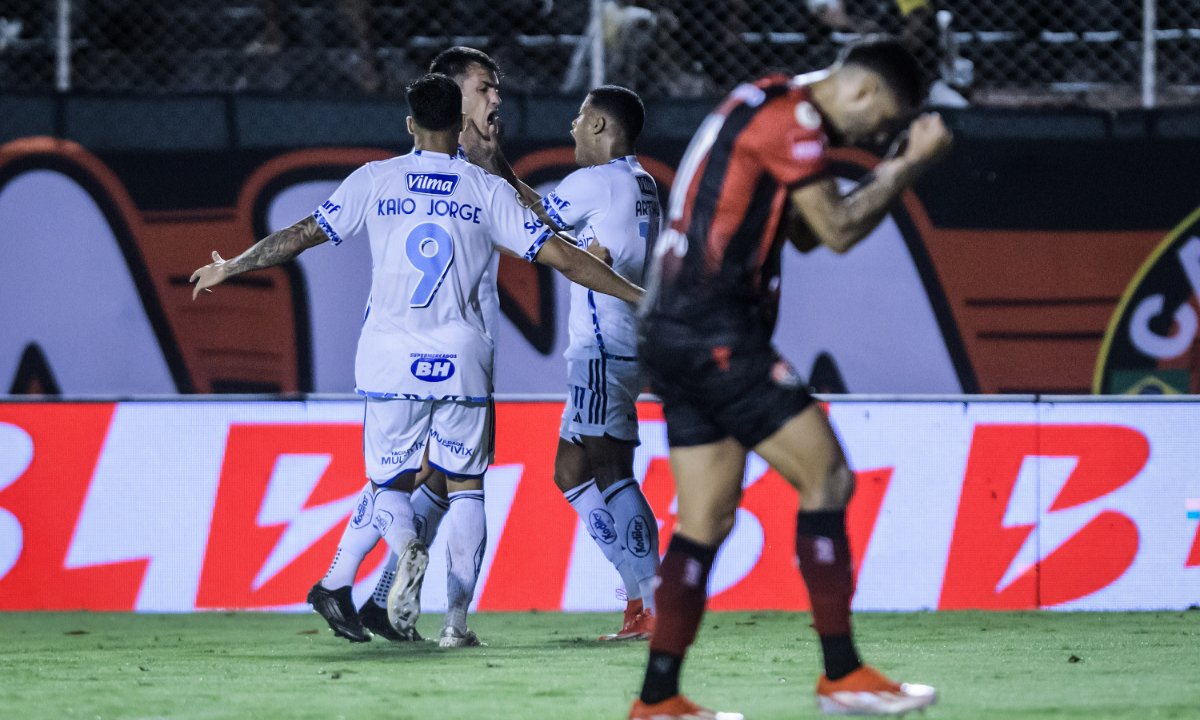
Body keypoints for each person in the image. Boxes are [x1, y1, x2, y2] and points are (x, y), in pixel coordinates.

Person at [189, 72, 644, 646]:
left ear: (409, 124)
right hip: (461, 358)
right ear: (459, 125)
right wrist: (636, 294)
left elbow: (303, 233)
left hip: (387, 358)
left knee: (388, 487)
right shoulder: (486, 190)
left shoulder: (375, 180)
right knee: (468, 488)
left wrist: (231, 265)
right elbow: (566, 258)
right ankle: (455, 624)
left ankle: (404, 549)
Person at [630, 36, 951, 719]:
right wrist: (910, 165)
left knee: (705, 520)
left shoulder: (768, 100)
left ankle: (658, 700)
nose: (877, 134)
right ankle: (842, 676)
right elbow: (834, 231)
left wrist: (890, 165)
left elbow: (803, 232)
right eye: (884, 119)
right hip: (715, 330)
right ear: (863, 91)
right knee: (828, 478)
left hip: (671, 329)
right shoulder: (795, 121)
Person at [539, 85, 662, 640]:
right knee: (570, 472)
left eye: (580, 117)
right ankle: (638, 595)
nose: (571, 126)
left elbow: (534, 226)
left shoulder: (589, 182)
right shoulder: (640, 182)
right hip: (627, 344)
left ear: (599, 126)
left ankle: (654, 601)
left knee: (612, 472)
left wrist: (491, 173)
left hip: (600, 346)